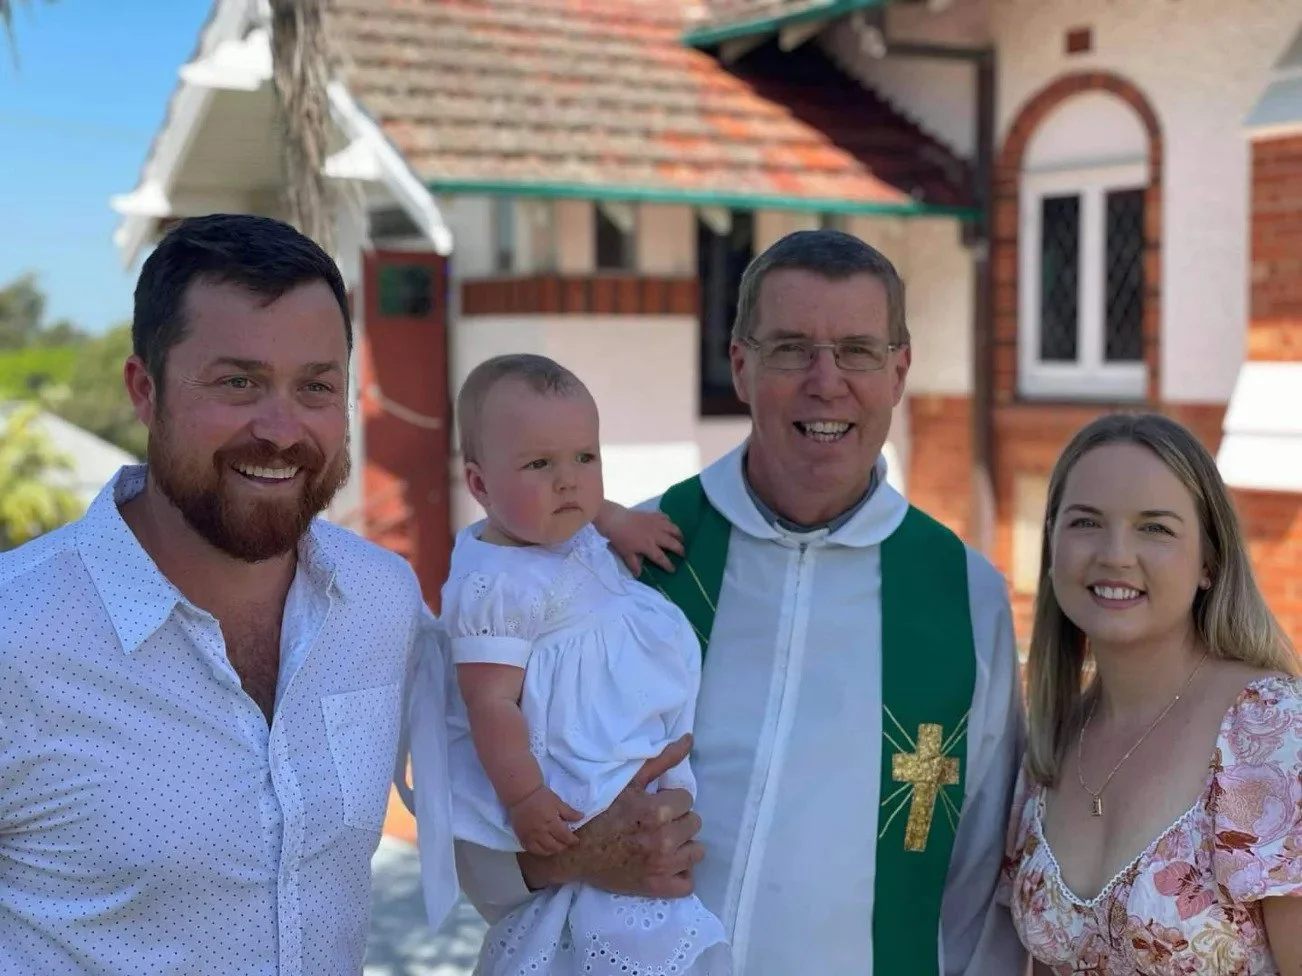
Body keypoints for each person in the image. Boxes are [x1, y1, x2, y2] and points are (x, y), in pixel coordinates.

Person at [447, 229, 1028, 975]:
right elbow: (472, 836)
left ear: (900, 370)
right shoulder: (616, 567)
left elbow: (981, 894)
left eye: (858, 350)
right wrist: (579, 855)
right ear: (740, 364)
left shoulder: (962, 595)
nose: (827, 381)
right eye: (790, 348)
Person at [0, 213, 455, 974]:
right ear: (145, 391)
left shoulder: (382, 601)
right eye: (238, 381)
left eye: (315, 386)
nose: (280, 429)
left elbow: (496, 776)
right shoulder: (19, 635)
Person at [426, 352, 730, 975]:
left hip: (616, 739)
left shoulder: (562, 523)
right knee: (605, 905)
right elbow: (490, 704)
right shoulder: (496, 586)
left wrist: (621, 521)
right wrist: (526, 796)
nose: (569, 481)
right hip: (563, 771)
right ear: (480, 486)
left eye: (584, 457)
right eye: (539, 464)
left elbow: (592, 508)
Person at [999, 412, 1302, 975]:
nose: (1115, 553)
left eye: (1155, 528)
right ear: (1052, 546)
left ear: (1209, 562)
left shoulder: (1271, 733)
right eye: (1085, 522)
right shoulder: (1050, 744)